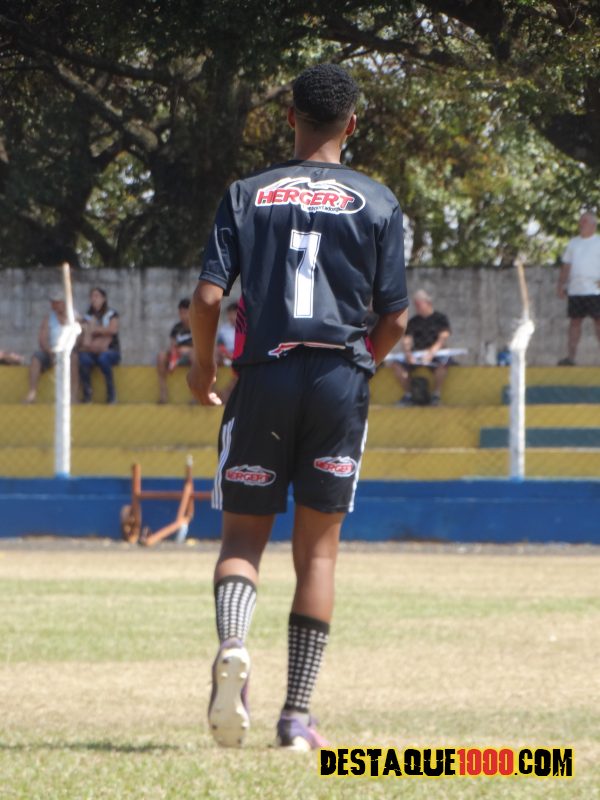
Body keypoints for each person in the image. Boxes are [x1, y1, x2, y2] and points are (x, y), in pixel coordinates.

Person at [187, 64, 408, 751]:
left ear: (290, 118)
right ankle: (296, 717)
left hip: (263, 376)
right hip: (339, 380)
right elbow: (397, 318)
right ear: (352, 123)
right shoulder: (378, 201)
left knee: (241, 543)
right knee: (317, 556)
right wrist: (360, 365)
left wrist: (203, 368)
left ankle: (233, 644)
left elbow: (207, 298)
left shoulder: (246, 194)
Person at [389, 289, 451, 406]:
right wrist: (408, 353)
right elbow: (406, 339)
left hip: (436, 354)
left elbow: (443, 337)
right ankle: (409, 395)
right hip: (417, 355)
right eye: (415, 304)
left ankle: (436, 395)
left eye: (419, 303)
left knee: (443, 365)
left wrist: (431, 353)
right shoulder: (413, 321)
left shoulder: (440, 318)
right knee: (396, 365)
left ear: (428, 303)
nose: (416, 306)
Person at [557, 211, 600, 365]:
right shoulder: (573, 243)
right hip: (576, 290)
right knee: (574, 323)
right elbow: (566, 265)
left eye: (585, 221)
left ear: (593, 225)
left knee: (599, 322)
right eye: (580, 221)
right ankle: (571, 358)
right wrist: (561, 284)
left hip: (595, 291)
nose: (581, 224)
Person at [23, 293, 78, 403]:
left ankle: (73, 396)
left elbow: (79, 338)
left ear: (65, 303)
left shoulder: (75, 317)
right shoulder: (48, 319)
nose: (54, 305)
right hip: (52, 351)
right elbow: (42, 339)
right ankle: (32, 393)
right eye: (53, 303)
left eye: (57, 303)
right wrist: (50, 351)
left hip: (69, 352)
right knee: (36, 358)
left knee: (74, 358)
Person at [78, 287, 121, 403]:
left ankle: (111, 393)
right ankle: (87, 393)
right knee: (83, 359)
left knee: (104, 358)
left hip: (111, 350)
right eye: (92, 296)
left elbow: (113, 330)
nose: (94, 299)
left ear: (103, 299)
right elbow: (83, 334)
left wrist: (94, 329)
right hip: (92, 350)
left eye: (97, 296)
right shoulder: (87, 316)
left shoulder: (111, 314)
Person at [156, 298, 193, 403]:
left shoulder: (198, 327)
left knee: (195, 355)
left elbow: (201, 348)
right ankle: (163, 392)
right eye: (181, 313)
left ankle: (195, 395)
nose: (183, 316)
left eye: (185, 313)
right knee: (161, 356)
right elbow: (172, 344)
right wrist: (174, 351)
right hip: (177, 356)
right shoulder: (177, 328)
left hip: (193, 357)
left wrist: (187, 350)